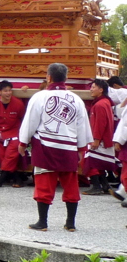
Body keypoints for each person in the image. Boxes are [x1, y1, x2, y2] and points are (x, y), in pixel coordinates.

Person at [19, 62, 92, 231]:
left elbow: (30, 122)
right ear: (66, 78)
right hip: (69, 147)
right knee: (71, 184)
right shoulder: (77, 99)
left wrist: (23, 142)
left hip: (45, 145)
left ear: (49, 77)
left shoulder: (39, 97)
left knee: (44, 182)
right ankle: (70, 223)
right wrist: (81, 148)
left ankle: (42, 222)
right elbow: (82, 126)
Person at [0, 80, 28, 188]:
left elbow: (23, 120)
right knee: (1, 155)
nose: (8, 93)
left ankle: (1, 179)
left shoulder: (18, 103)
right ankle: (17, 178)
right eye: (5, 91)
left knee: (10, 155)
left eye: (10, 90)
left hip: (15, 133)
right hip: (1, 133)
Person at [82, 78, 116, 196]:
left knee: (90, 161)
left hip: (99, 139)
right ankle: (105, 184)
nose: (91, 89)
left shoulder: (100, 104)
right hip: (104, 138)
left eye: (93, 87)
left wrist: (96, 139)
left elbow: (100, 124)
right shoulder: (105, 102)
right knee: (98, 162)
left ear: (101, 90)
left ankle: (96, 186)